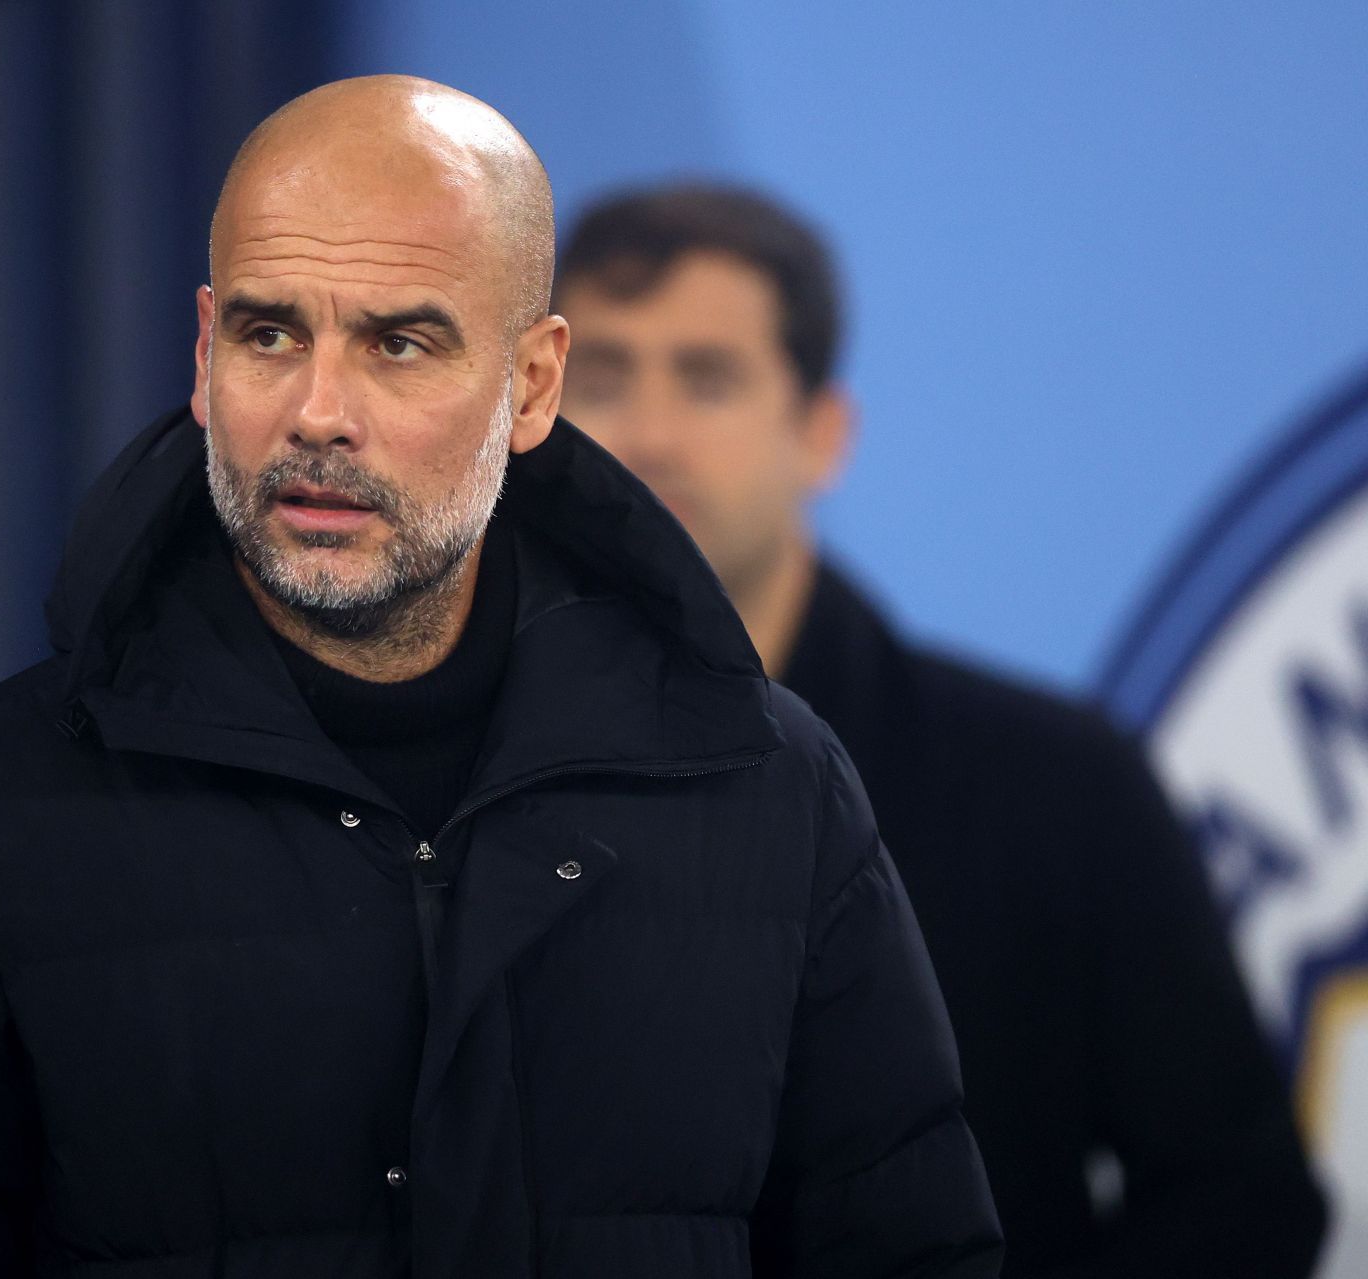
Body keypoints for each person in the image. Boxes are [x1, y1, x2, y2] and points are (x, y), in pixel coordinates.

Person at [0, 80, 1002, 1277]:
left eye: (400, 344)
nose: (318, 412)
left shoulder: (771, 792)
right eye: (270, 331)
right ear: (201, 353)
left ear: (535, 384)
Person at [553, 182, 1329, 1278]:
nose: (650, 435)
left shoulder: (1061, 787)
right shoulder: (452, 781)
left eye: (709, 378)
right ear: (533, 414)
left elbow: (1241, 1204)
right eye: (605, 377)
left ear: (822, 434)